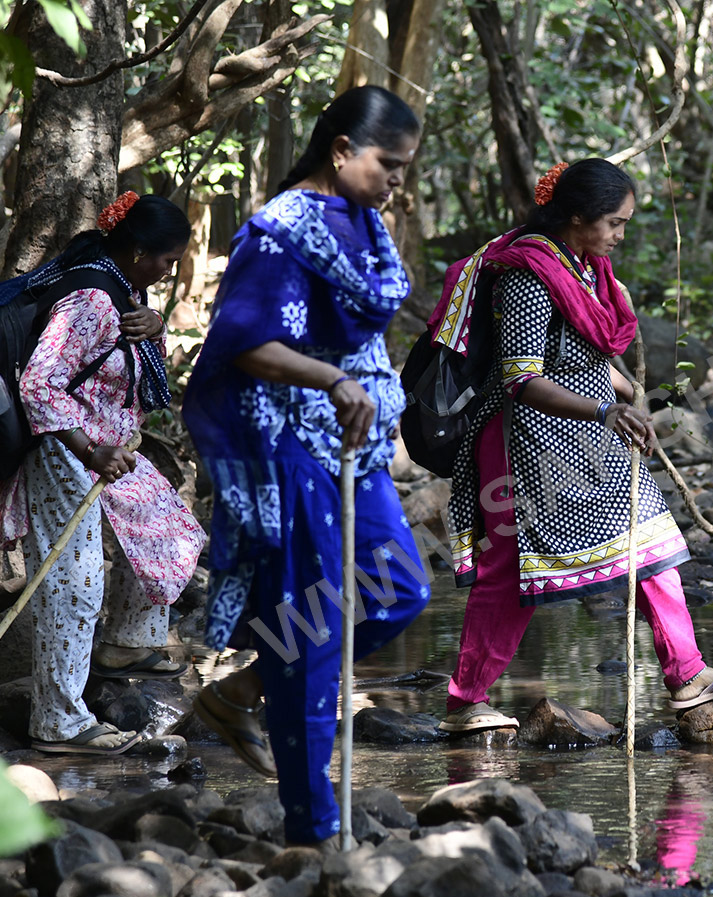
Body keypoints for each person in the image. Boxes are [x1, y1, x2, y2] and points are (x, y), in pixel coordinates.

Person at [183, 85, 430, 848]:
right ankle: (314, 828)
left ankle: (241, 691)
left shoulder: (363, 221)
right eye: (388, 164)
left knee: (399, 588)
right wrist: (331, 380)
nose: (398, 181)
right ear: (342, 150)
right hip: (286, 442)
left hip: (350, 440)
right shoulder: (280, 232)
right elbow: (242, 343)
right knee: (318, 628)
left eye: (405, 167)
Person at [435, 158, 713, 733]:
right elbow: (523, 378)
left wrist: (626, 390)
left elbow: (583, 358)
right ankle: (466, 701)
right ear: (577, 216)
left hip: (585, 435)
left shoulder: (584, 269)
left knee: (653, 539)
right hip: (524, 443)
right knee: (508, 570)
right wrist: (607, 408)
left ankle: (687, 674)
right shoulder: (527, 275)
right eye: (614, 222)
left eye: (625, 223)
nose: (620, 235)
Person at [0, 192, 205, 755]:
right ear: (138, 250)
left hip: (110, 445)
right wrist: (88, 449)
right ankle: (59, 723)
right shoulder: (90, 298)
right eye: (166, 260)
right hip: (65, 449)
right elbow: (39, 384)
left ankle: (126, 644)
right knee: (75, 584)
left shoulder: (128, 289)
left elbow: (134, 367)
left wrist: (155, 325)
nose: (170, 270)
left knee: (170, 529)